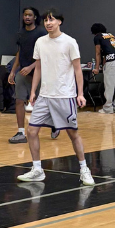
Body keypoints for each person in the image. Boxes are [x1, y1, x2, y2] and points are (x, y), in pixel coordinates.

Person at [17, 12, 95, 186]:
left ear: (60, 21)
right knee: (31, 131)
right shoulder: (41, 42)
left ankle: (84, 169)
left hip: (64, 96)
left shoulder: (70, 42)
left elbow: (77, 70)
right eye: (45, 20)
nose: (48, 23)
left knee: (73, 134)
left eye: (51, 19)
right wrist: (33, 92)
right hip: (44, 96)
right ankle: (37, 169)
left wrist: (80, 93)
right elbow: (38, 68)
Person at [6, 7, 41, 144]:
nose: (27, 17)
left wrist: (31, 66)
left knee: (43, 103)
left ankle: (53, 125)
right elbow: (19, 53)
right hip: (23, 72)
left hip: (38, 71)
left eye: (30, 15)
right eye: (25, 15)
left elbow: (44, 55)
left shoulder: (41, 33)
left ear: (35, 17)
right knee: (19, 101)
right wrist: (13, 71)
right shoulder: (20, 33)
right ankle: (21, 132)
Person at [91, 23, 115, 114]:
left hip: (111, 61)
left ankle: (108, 108)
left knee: (109, 86)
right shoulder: (110, 35)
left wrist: (97, 68)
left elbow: (98, 53)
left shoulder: (97, 37)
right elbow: (109, 49)